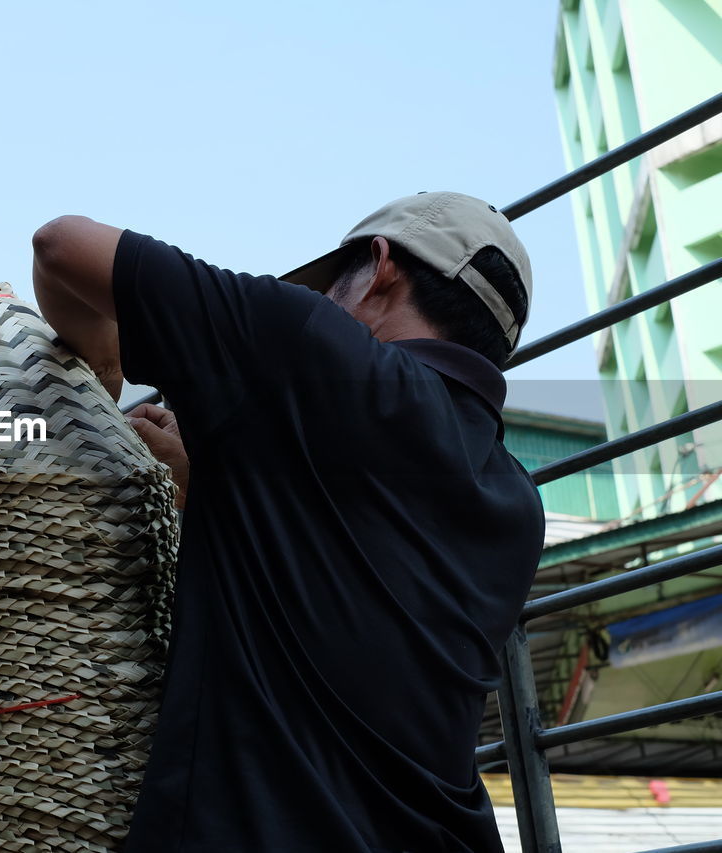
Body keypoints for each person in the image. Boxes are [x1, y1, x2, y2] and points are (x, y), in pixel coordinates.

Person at [31, 191, 545, 852]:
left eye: (333, 284)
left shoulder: (313, 344)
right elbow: (347, 572)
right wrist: (211, 468)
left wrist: (101, 392)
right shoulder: (515, 503)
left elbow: (62, 246)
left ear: (380, 266)